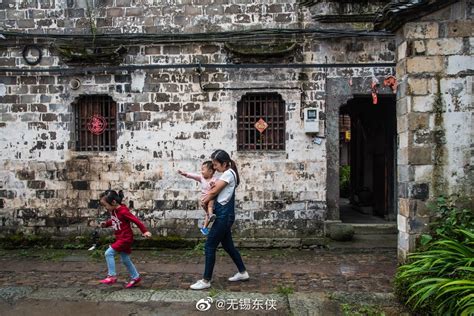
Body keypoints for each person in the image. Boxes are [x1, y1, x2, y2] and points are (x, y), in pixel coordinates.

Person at [190, 149, 249, 290]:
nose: (214, 167)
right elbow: (214, 188)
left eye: (216, 164)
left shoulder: (228, 173)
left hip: (224, 216)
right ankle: (243, 272)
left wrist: (206, 198)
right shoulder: (227, 174)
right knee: (228, 246)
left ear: (224, 163)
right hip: (224, 215)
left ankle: (206, 280)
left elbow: (215, 191)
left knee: (209, 246)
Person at [98, 189, 152, 288]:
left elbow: (136, 221)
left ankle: (112, 276)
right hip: (120, 238)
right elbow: (115, 220)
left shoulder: (123, 211)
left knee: (108, 253)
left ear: (113, 202)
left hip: (125, 238)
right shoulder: (114, 210)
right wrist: (106, 224)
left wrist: (145, 231)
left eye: (105, 205)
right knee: (125, 259)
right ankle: (136, 278)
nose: (105, 208)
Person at [178, 161, 217, 235]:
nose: (201, 172)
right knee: (209, 210)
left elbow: (217, 187)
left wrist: (213, 185)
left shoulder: (215, 179)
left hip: (210, 198)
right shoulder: (201, 178)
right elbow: (193, 176)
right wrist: (185, 174)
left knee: (209, 209)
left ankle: (205, 227)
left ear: (210, 171)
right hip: (204, 199)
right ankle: (210, 215)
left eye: (203, 169)